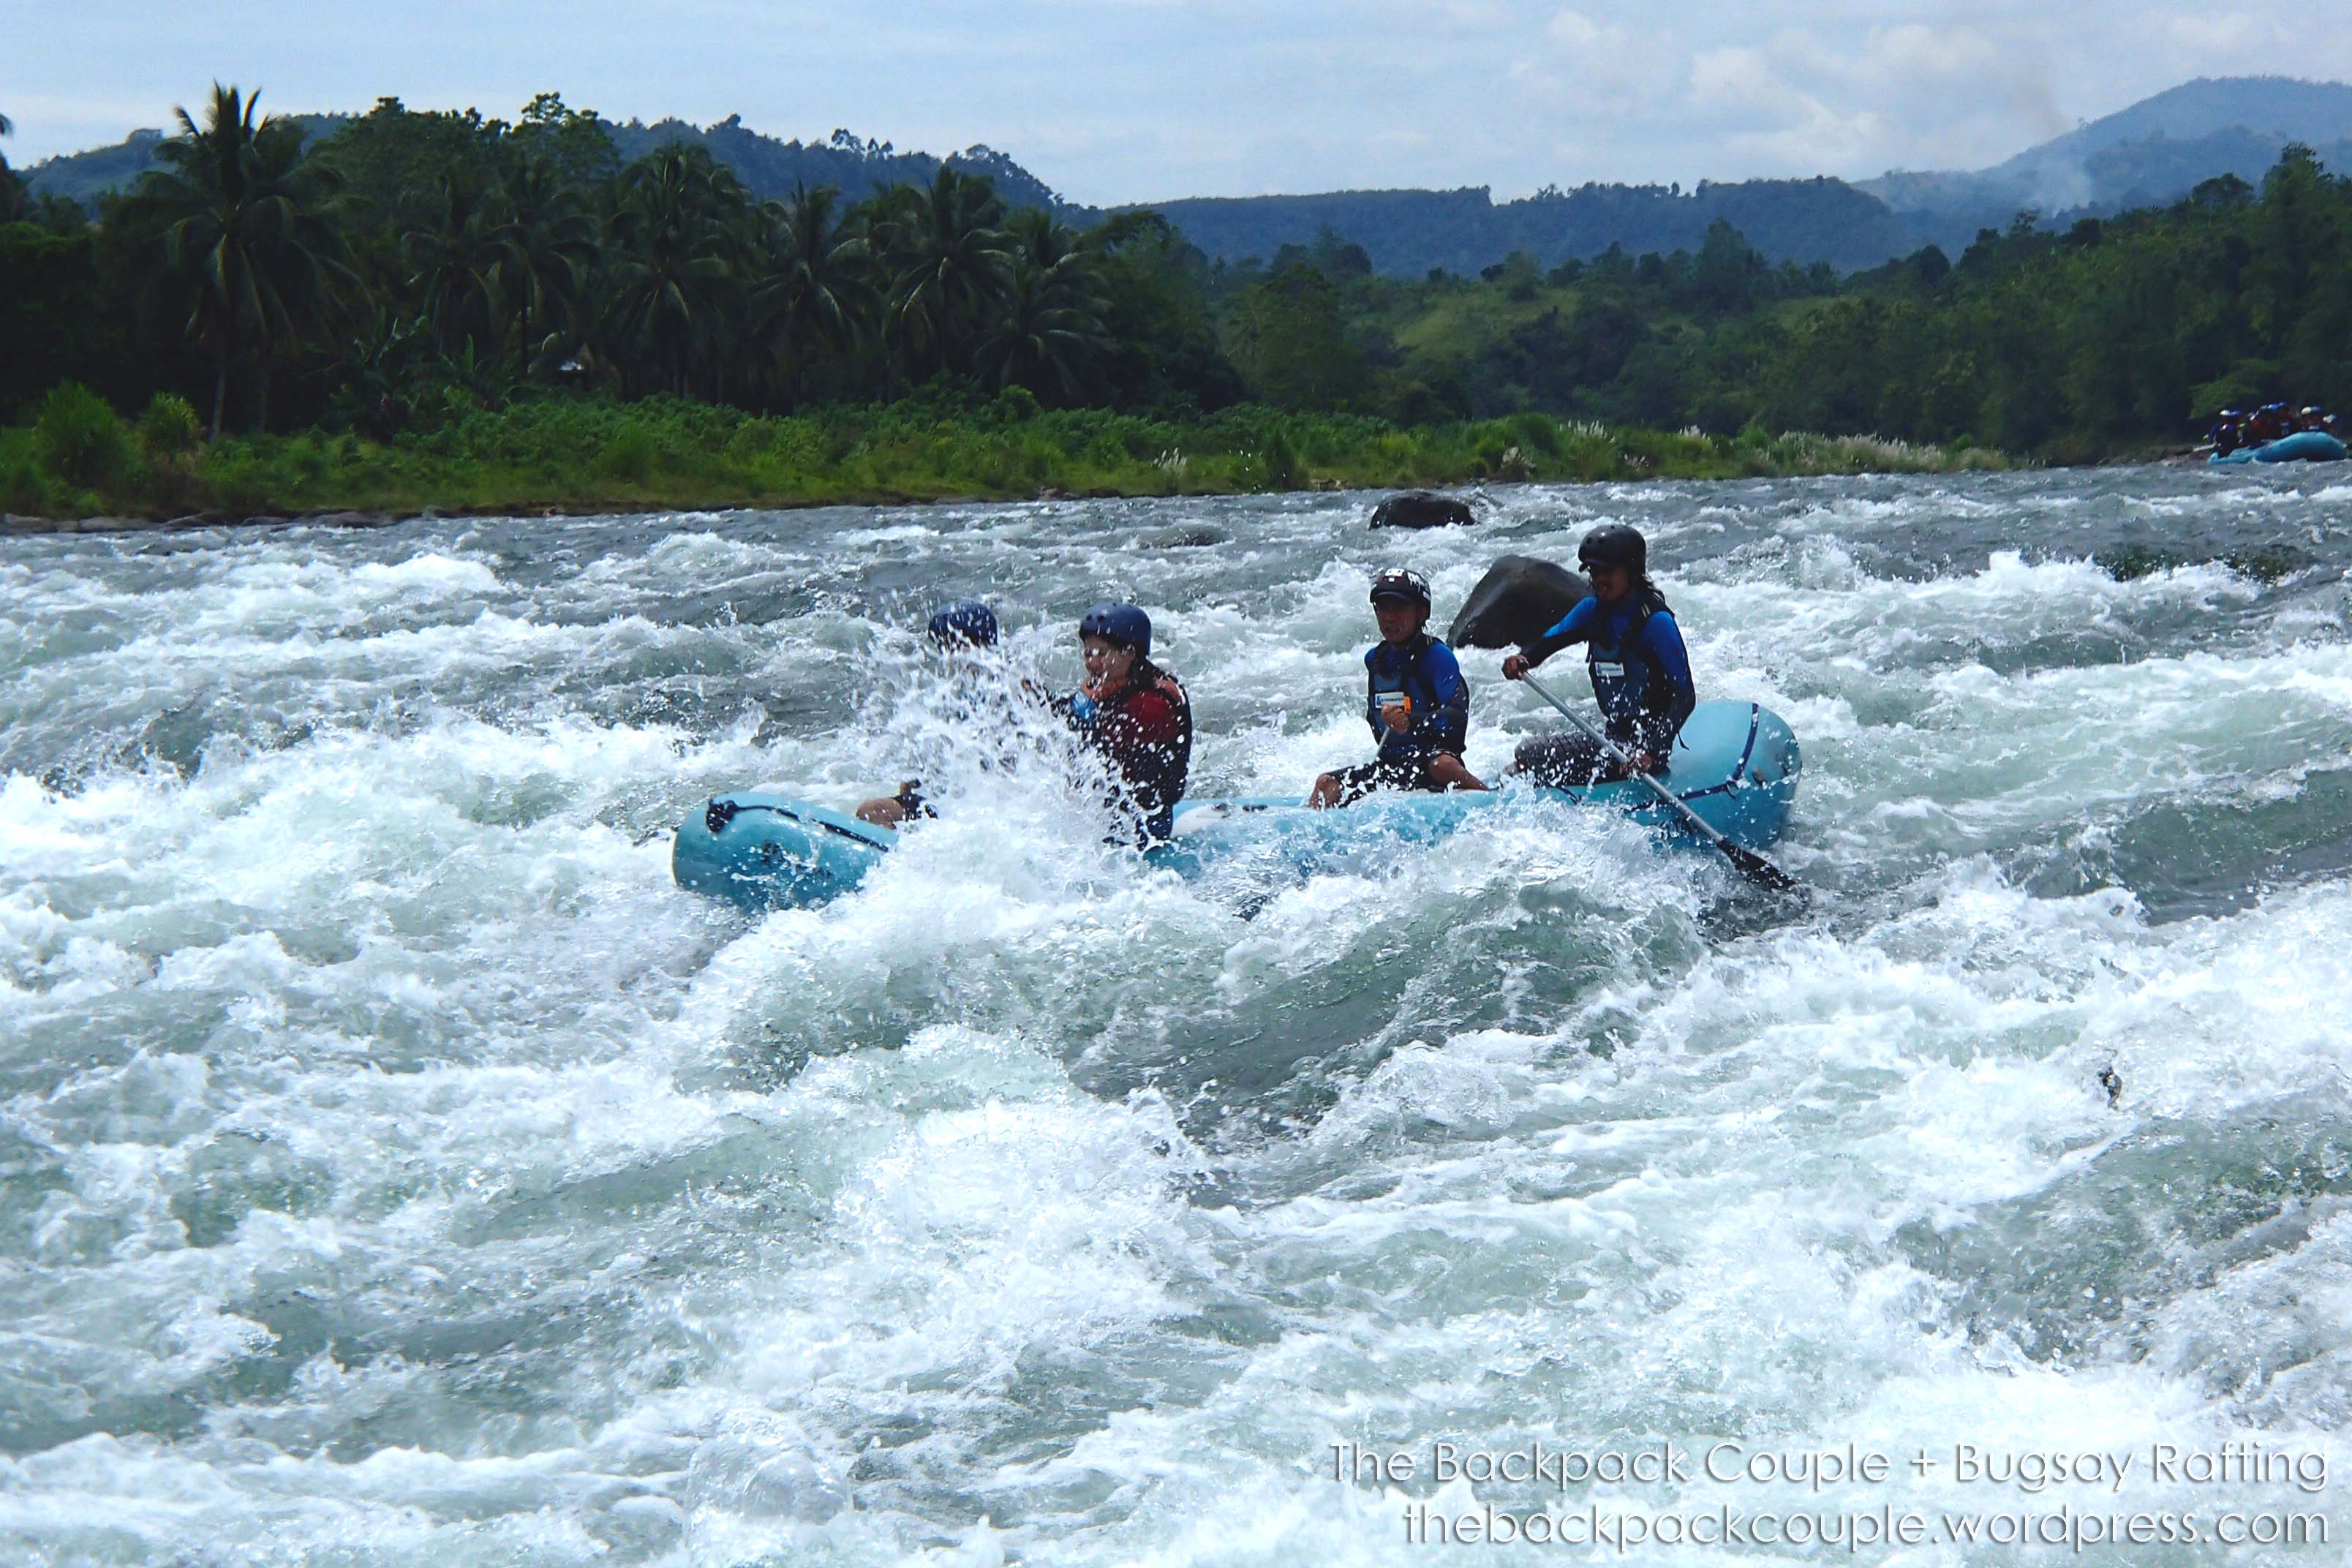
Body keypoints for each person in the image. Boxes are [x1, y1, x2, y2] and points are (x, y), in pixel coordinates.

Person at [1501, 523, 1695, 784]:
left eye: (1608, 572)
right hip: (1615, 739)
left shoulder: (1657, 622)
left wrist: (1652, 752)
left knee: (1529, 752)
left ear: (1632, 571)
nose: (1599, 579)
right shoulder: (1592, 610)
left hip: (1645, 750)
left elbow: (1685, 696)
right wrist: (1523, 658)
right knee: (1521, 768)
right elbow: (1550, 641)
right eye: (1594, 571)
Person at [1308, 568, 1485, 807]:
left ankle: (1490, 797)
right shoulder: (1375, 660)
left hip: (1432, 764)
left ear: (1422, 613)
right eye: (1383, 608)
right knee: (1326, 784)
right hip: (1392, 766)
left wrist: (1410, 720)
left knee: (1443, 765)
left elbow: (1456, 716)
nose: (1389, 618)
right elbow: (1375, 721)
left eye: (1400, 608)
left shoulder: (1438, 657)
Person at [856, 600, 1003, 828]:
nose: (949, 654)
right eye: (945, 647)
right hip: (947, 798)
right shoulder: (950, 693)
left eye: (956, 644)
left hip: (986, 802)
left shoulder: (1008, 689)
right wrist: (917, 781)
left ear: (982, 644)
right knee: (871, 812)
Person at [1055, 602, 1193, 843]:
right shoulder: (1110, 687)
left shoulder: (1153, 704)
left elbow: (1102, 747)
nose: (1092, 663)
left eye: (1102, 654)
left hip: (1145, 826)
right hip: (1109, 813)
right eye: (1088, 653)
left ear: (1130, 653)